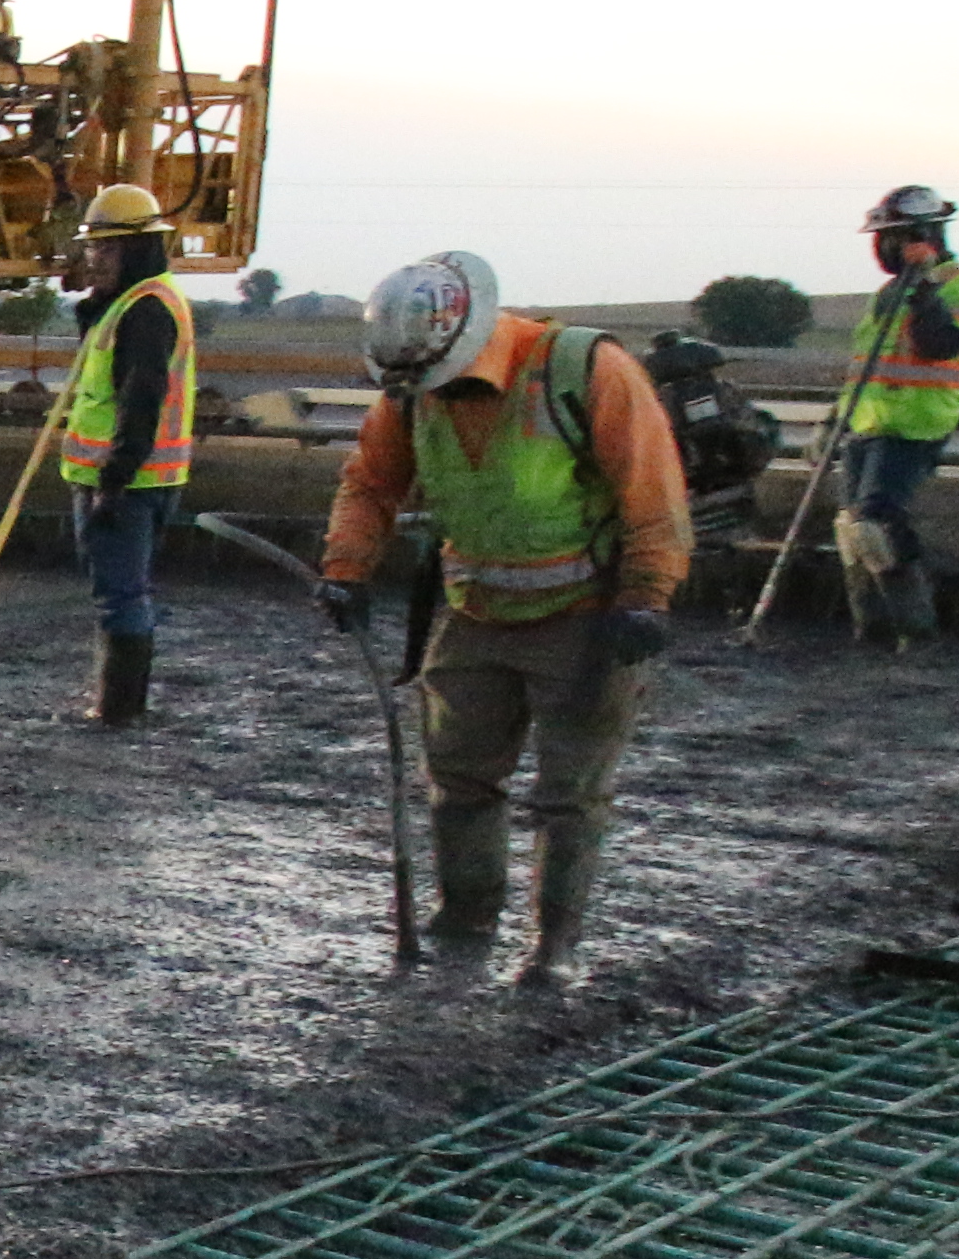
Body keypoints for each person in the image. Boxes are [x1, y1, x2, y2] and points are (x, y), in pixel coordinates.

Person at [316, 253, 688, 987]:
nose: (427, 395)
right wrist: (346, 569)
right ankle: (466, 917)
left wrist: (647, 597)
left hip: (586, 617)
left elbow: (653, 491)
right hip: (476, 613)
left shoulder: (580, 371)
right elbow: (370, 483)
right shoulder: (411, 388)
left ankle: (553, 948)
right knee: (458, 775)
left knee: (569, 793)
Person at [56, 181, 198, 723]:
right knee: (120, 591)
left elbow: (141, 400)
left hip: (126, 485)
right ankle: (117, 703)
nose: (94, 260)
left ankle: (117, 709)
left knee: (120, 595)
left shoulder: (145, 311)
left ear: (138, 249)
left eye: (107, 249)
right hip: (141, 481)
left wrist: (112, 481)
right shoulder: (132, 303)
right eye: (93, 248)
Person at [829, 186, 959, 646]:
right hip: (868, 423)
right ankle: (871, 632)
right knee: (852, 531)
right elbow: (866, 369)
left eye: (888, 238)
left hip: (914, 424)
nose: (880, 248)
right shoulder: (886, 292)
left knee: (879, 525)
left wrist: (923, 287)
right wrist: (833, 421)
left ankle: (916, 631)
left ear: (919, 235)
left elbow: (941, 344)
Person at [637, 323, 784, 580]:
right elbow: (765, 438)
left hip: (687, 504)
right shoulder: (725, 394)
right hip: (734, 496)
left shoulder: (655, 403)